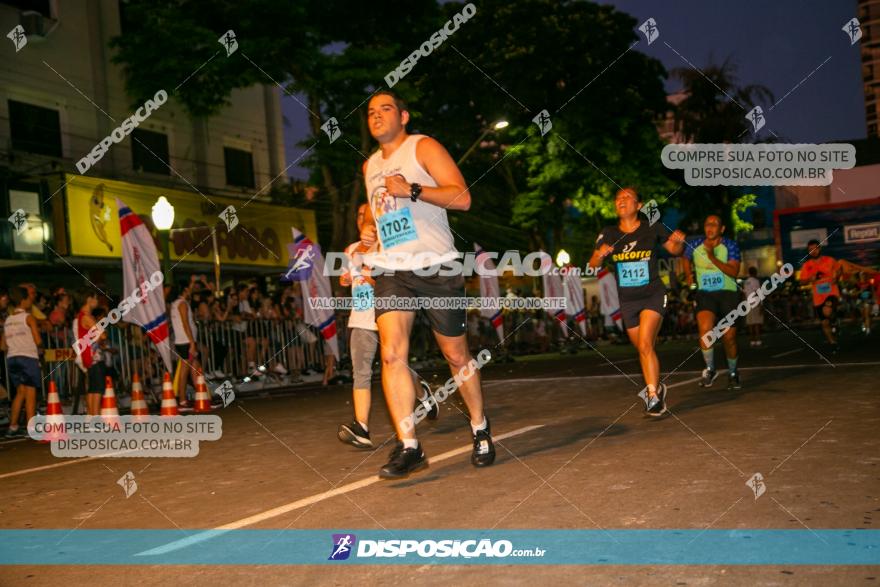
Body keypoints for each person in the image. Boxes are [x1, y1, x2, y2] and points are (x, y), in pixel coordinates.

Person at [359, 90, 495, 478]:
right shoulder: (370, 165)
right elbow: (377, 208)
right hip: (391, 269)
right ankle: (409, 445)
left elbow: (463, 197)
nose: (377, 116)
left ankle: (480, 426)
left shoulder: (423, 147)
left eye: (385, 109)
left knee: (456, 356)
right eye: (371, 112)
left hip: (437, 265)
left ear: (403, 116)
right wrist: (370, 228)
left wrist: (414, 190)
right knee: (391, 355)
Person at [337, 204, 438, 449]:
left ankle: (422, 393)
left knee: (395, 363)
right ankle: (361, 427)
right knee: (360, 371)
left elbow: (385, 282)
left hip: (388, 314)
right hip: (361, 318)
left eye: (367, 214)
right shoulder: (351, 249)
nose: (362, 218)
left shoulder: (389, 247)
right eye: (359, 214)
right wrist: (351, 273)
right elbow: (343, 278)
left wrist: (366, 271)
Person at [588, 187, 686, 416]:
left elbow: (674, 249)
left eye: (627, 197)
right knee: (643, 348)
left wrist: (679, 241)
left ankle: (652, 396)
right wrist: (600, 254)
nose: (621, 200)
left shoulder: (651, 227)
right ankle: (658, 387)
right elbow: (592, 265)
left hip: (652, 293)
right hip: (628, 300)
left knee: (644, 344)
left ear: (639, 205)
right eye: (618, 197)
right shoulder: (608, 233)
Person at [682, 215, 743, 390]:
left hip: (728, 294)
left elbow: (733, 271)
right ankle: (710, 369)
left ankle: (733, 372)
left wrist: (712, 258)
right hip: (705, 294)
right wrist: (688, 276)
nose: (710, 227)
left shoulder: (730, 245)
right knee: (704, 330)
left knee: (729, 337)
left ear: (721, 229)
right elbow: (685, 258)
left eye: (714, 224)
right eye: (707, 224)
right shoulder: (695, 245)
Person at [2, 287, 43, 438]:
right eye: (30, 298)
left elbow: (2, 345)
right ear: (24, 300)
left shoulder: (8, 320)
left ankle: (13, 426)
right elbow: (38, 340)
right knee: (31, 393)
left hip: (12, 358)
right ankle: (31, 428)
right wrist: (41, 349)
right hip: (28, 357)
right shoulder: (28, 317)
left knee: (20, 393)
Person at [799, 239, 842, 351]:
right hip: (818, 298)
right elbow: (802, 281)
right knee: (824, 322)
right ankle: (832, 342)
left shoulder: (829, 260)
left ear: (819, 249)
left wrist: (836, 278)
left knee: (827, 310)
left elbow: (839, 269)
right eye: (810, 250)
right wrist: (810, 279)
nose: (812, 251)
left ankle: (835, 321)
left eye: (814, 249)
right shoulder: (807, 265)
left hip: (831, 292)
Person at [73, 290, 106, 416]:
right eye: (96, 298)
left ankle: (93, 418)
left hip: (87, 357)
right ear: (89, 299)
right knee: (97, 389)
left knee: (92, 389)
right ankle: (96, 417)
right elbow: (101, 335)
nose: (97, 301)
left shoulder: (79, 317)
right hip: (94, 357)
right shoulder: (87, 317)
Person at [170, 283, 201, 410]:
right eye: (189, 288)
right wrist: (192, 342)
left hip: (184, 341)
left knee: (196, 368)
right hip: (186, 342)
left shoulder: (176, 303)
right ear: (184, 290)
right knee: (185, 371)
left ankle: (201, 397)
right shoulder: (182, 304)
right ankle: (182, 400)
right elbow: (185, 323)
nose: (191, 290)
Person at [743, 267, 764, 347]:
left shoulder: (746, 282)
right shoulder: (756, 281)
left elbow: (745, 294)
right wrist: (761, 304)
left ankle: (752, 341)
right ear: (755, 272)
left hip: (748, 303)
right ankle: (758, 340)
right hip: (755, 303)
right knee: (757, 323)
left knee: (750, 323)